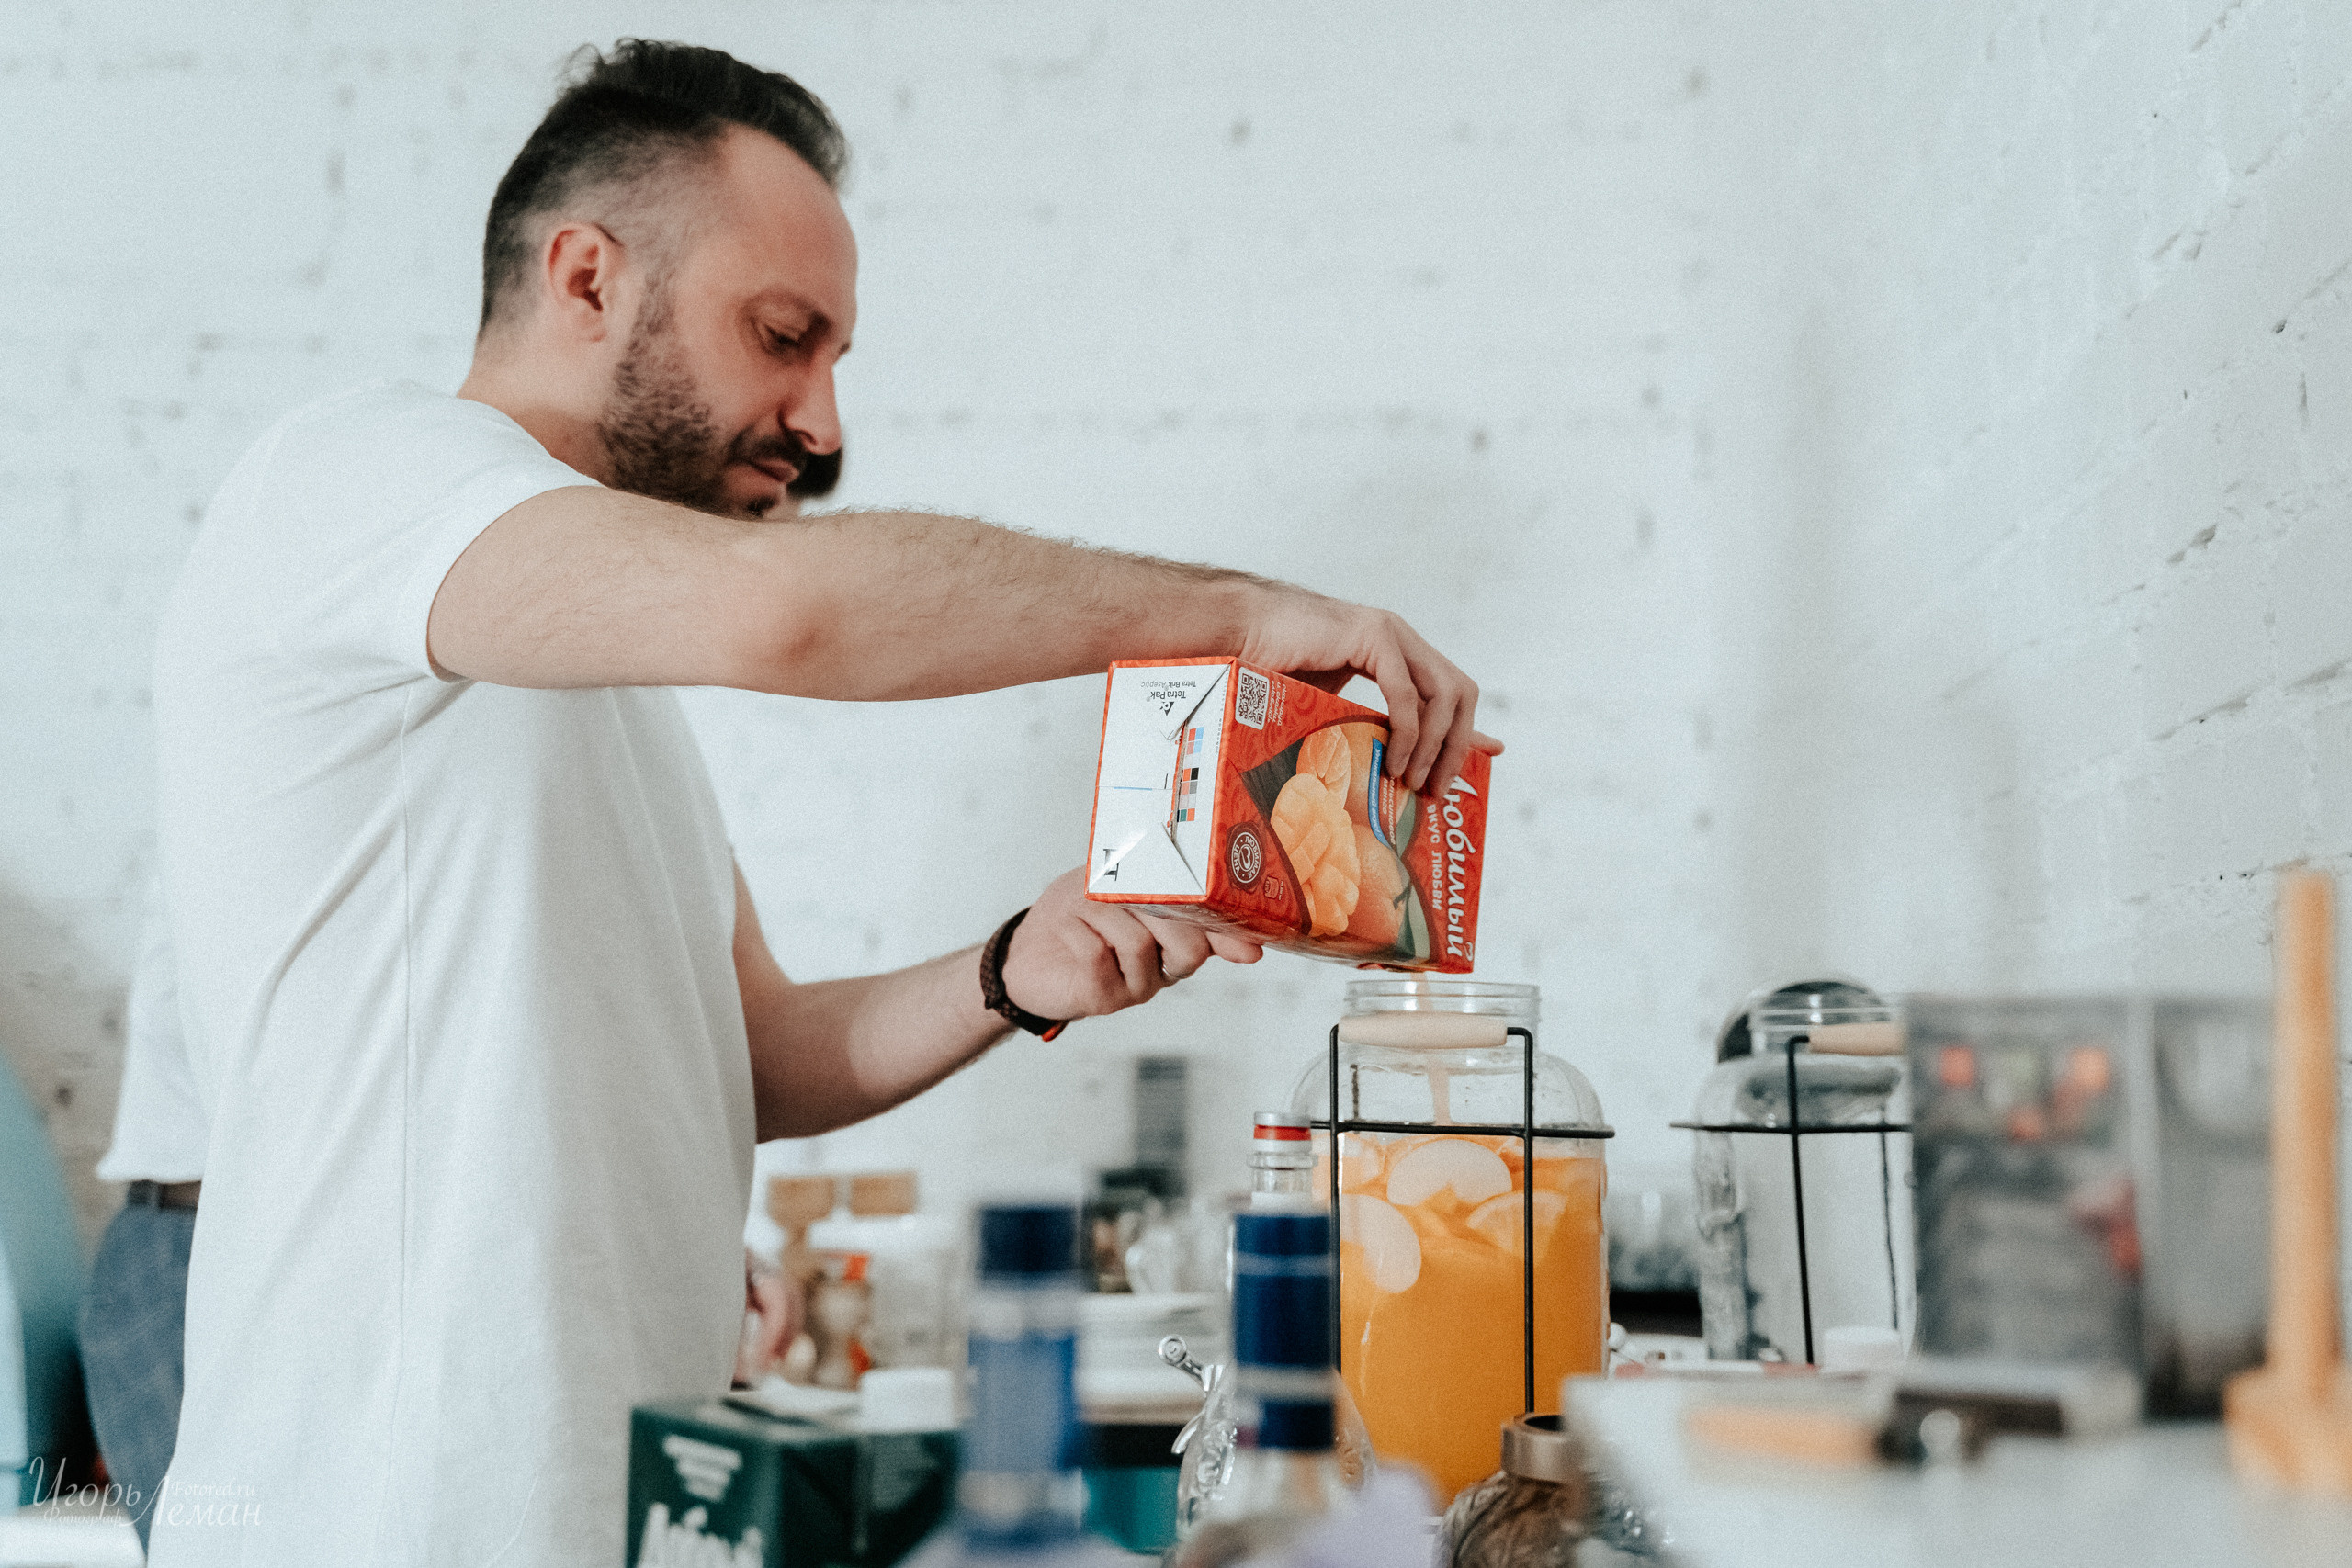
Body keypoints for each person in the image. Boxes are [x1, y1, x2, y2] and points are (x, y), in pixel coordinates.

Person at [145, 39, 1495, 1568]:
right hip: (386, 1517)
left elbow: (756, 1052)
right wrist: (1226, 615)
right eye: (783, 337)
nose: (826, 423)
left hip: (620, 1511)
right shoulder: (356, 477)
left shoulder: (597, 678)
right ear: (585, 278)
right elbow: (784, 610)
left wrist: (1011, 966)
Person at [79, 448, 844, 1545]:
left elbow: (550, 1057)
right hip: (198, 1243)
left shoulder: (609, 721)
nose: (745, 523)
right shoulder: (390, 596)